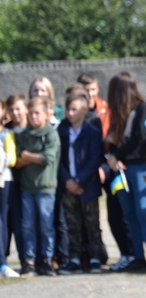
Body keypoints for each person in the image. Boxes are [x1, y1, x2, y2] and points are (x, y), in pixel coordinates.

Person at [106, 74, 146, 274]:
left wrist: (117, 156)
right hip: (120, 169)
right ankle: (138, 256)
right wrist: (113, 158)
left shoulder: (143, 108)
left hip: (138, 166)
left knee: (142, 210)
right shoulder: (119, 113)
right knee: (129, 212)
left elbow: (140, 137)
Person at [56, 93, 104, 274]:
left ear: (84, 110)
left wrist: (79, 180)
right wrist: (67, 180)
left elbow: (94, 159)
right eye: (68, 109)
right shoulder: (61, 131)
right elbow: (58, 159)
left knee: (92, 223)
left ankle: (95, 259)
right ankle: (74, 259)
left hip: (87, 185)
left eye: (74, 109)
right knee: (72, 223)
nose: (70, 113)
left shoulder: (92, 132)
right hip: (68, 186)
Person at [15, 97, 61, 276]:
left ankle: (47, 260)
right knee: (27, 226)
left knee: (46, 225)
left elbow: (48, 158)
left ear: (45, 114)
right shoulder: (24, 134)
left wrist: (27, 155)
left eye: (37, 113)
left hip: (46, 188)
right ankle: (29, 261)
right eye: (31, 113)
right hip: (27, 187)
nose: (33, 117)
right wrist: (30, 156)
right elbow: (17, 160)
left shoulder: (50, 134)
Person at [4, 94, 27, 266]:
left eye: (18, 108)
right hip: (10, 184)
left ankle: (26, 260)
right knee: (8, 222)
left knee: (23, 225)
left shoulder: (33, 128)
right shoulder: (7, 131)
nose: (15, 113)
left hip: (29, 184)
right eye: (11, 110)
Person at [0, 99, 19, 278]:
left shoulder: (6, 134)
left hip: (4, 181)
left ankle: (3, 262)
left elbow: (12, 159)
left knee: (2, 221)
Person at [77, 73, 110, 137]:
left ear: (98, 89)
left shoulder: (105, 109)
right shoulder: (74, 109)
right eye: (86, 90)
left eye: (93, 89)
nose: (90, 94)